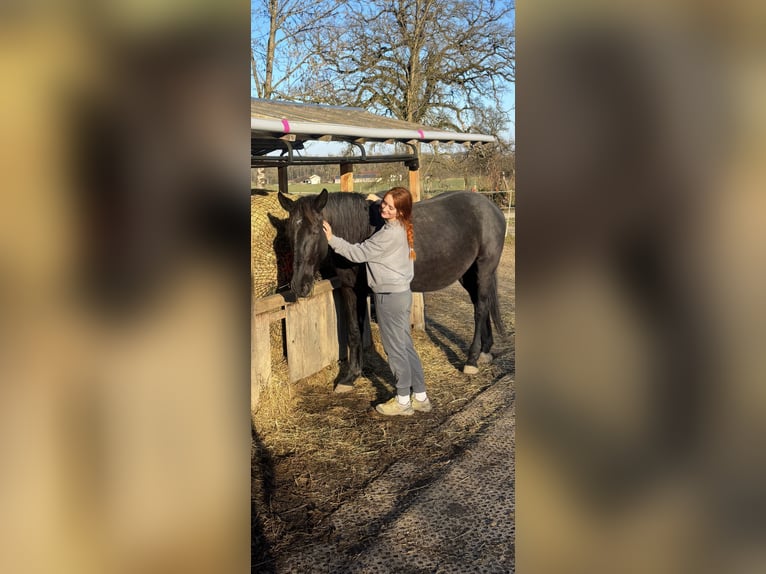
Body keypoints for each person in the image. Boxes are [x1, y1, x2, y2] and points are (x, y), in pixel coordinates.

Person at [322, 188, 430, 416]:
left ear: (399, 211)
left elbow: (357, 253)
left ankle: (402, 400)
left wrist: (331, 239)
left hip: (388, 297)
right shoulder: (401, 224)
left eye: (390, 206)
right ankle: (420, 396)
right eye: (385, 204)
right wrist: (378, 200)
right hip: (401, 294)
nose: (384, 208)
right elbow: (392, 207)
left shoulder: (386, 235)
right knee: (406, 345)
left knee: (395, 350)